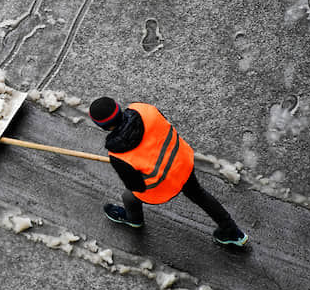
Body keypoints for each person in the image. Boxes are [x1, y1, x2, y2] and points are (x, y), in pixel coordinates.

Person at [88, 97, 248, 247]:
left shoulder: (118, 155)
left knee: (129, 197)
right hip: (181, 162)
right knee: (198, 194)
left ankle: (133, 220)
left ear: (102, 127)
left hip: (162, 185)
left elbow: (137, 186)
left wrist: (125, 167)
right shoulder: (144, 110)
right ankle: (232, 232)